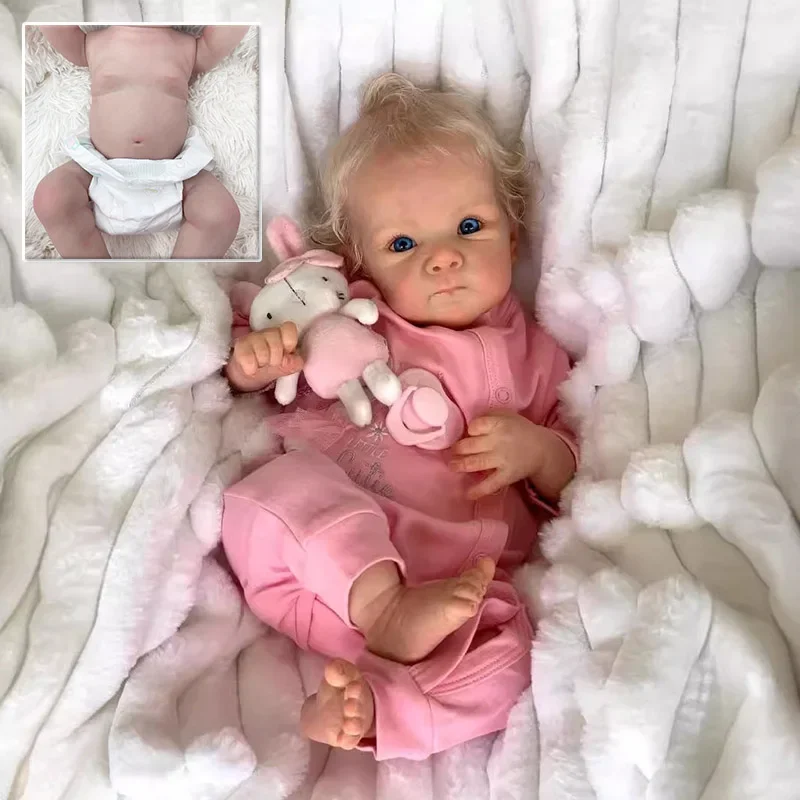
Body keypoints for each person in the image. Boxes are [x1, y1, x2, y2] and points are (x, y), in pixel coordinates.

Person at [222, 73, 578, 761]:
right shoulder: (354, 319)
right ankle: (381, 605)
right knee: (267, 495)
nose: (443, 257)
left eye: (469, 228)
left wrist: (537, 451)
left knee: (515, 654)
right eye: (403, 245)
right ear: (359, 266)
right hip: (320, 570)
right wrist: (254, 363)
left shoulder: (535, 355)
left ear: (513, 239)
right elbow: (264, 345)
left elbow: (575, 470)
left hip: (454, 590)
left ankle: (373, 709)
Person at [33, 25, 247, 258]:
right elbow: (54, 21)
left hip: (175, 173)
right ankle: (97, 271)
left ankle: (180, 274)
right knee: (51, 198)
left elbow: (229, 28)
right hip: (100, 169)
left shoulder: (188, 47)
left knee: (220, 214)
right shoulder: (93, 44)